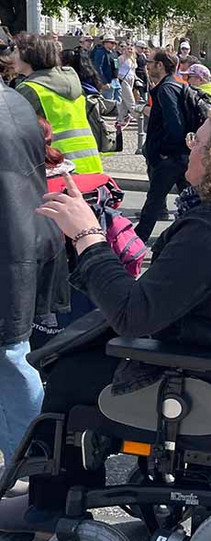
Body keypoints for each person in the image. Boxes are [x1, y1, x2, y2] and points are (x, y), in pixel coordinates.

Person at [27, 106, 211, 518]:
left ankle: (50, 508)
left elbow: (133, 315)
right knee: (87, 353)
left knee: (70, 375)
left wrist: (88, 236)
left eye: (196, 141)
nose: (190, 148)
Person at [0, 81, 66, 462]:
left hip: (11, 247)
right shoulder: (16, 100)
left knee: (11, 358)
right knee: (13, 356)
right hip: (25, 239)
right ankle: (31, 460)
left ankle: (31, 463)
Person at [11, 33, 103, 174]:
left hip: (59, 167)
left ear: (28, 55)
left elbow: (16, 134)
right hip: (90, 163)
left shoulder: (30, 89)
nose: (12, 56)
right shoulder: (72, 82)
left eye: (16, 51)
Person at [137, 50, 190, 242]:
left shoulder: (166, 88)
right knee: (191, 203)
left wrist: (164, 152)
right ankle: (192, 238)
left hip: (171, 158)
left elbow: (175, 124)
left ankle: (135, 244)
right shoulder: (176, 84)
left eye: (150, 63)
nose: (147, 66)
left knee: (153, 204)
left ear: (160, 65)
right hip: (182, 155)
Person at [115, 42, 140, 127]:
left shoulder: (133, 59)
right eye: (128, 49)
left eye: (131, 49)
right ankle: (138, 117)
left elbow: (133, 71)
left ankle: (121, 118)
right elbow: (116, 68)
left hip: (131, 79)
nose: (129, 50)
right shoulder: (121, 58)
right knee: (130, 100)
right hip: (123, 79)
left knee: (124, 101)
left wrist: (137, 80)